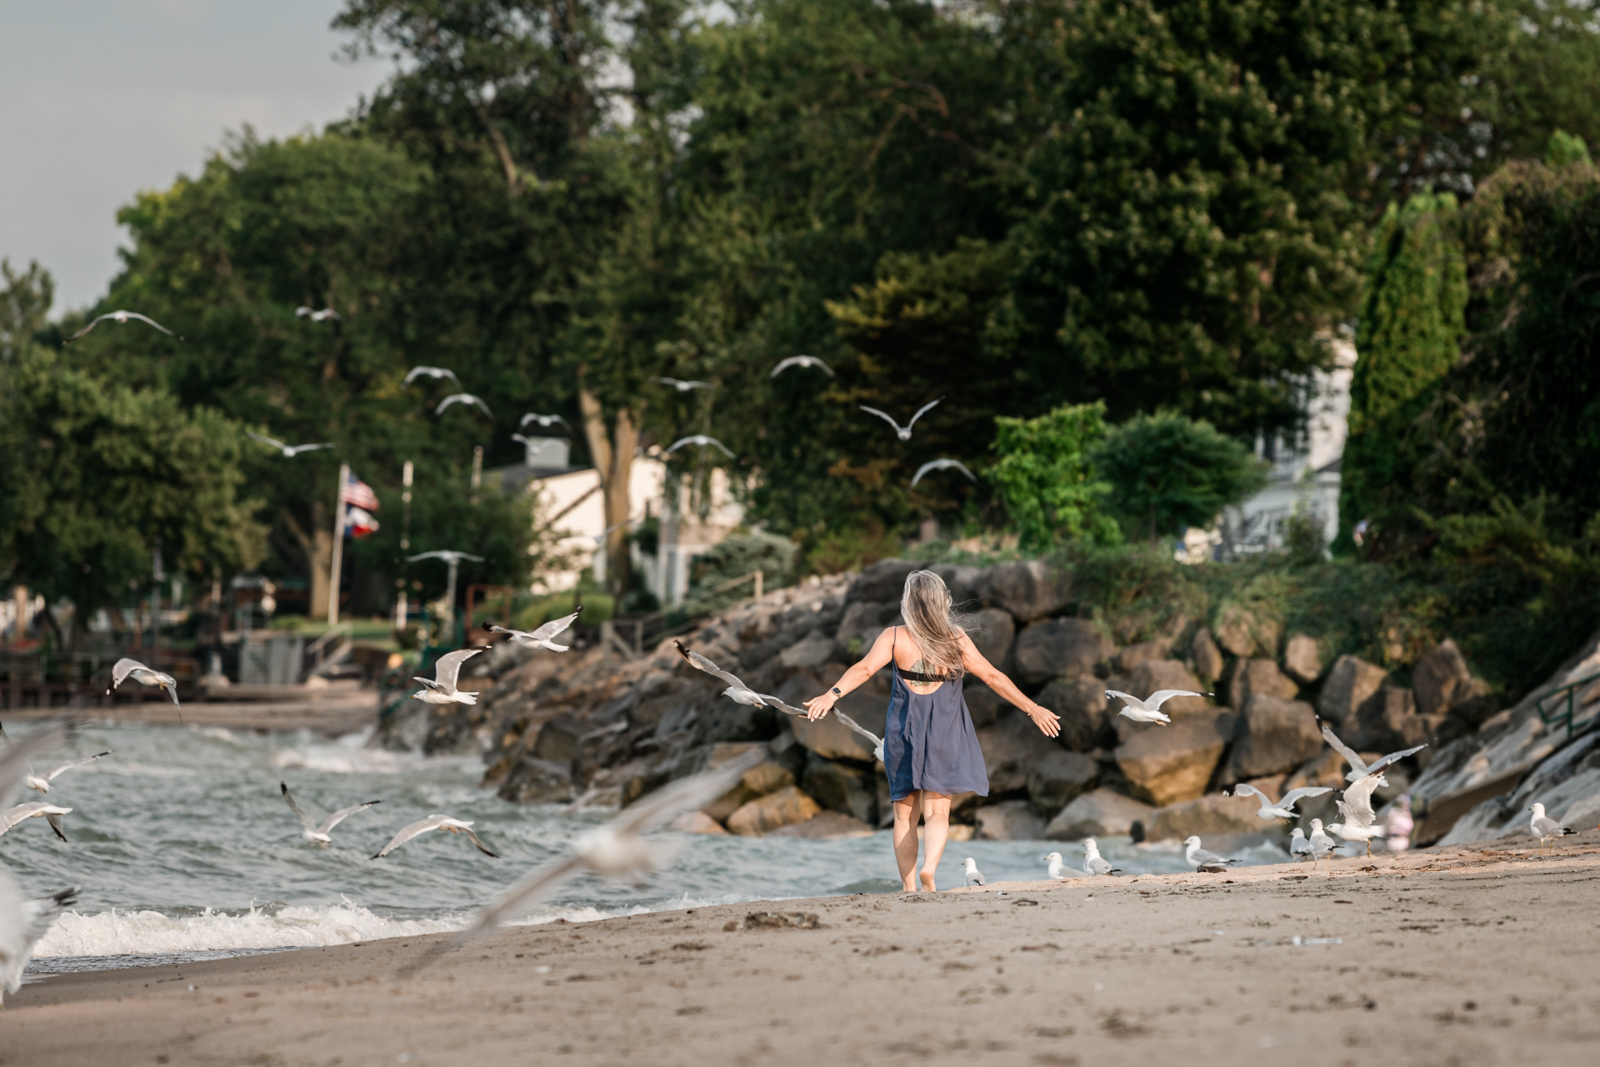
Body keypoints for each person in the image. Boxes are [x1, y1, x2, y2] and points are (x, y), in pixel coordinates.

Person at [804, 570, 1059, 891]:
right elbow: (993, 677)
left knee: (904, 816)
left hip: (904, 731)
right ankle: (929, 871)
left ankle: (910, 888)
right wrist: (1033, 709)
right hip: (945, 731)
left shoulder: (894, 637)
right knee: (937, 812)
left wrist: (831, 695)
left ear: (908, 602)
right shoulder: (955, 639)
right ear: (943, 601)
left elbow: (865, 669)